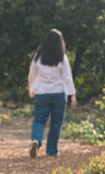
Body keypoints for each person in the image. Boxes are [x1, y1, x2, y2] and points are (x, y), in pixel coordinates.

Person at [28, 27, 76, 158]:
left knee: (39, 120)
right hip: (59, 94)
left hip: (42, 93)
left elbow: (32, 75)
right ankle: (52, 151)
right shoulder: (62, 58)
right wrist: (72, 95)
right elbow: (67, 77)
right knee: (56, 123)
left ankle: (36, 140)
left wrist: (31, 89)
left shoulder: (37, 57)